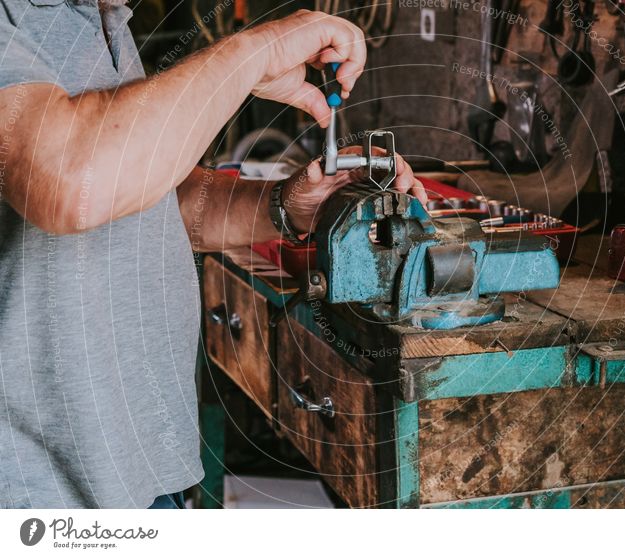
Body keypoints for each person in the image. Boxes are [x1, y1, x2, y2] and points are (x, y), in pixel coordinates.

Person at [0, 2, 425, 508]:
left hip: (144, 471)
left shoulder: (99, 20)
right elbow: (73, 184)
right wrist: (255, 52)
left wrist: (284, 207)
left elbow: (150, 201)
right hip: (44, 496)